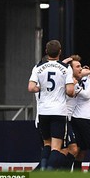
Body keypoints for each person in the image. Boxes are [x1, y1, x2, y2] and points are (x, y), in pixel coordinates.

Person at [27, 40, 75, 170]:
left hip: (43, 111)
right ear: (60, 51)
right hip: (58, 111)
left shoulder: (38, 67)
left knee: (47, 144)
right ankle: (49, 171)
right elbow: (70, 91)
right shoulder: (66, 68)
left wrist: (41, 88)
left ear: (46, 52)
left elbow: (31, 87)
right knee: (56, 147)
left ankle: (42, 168)